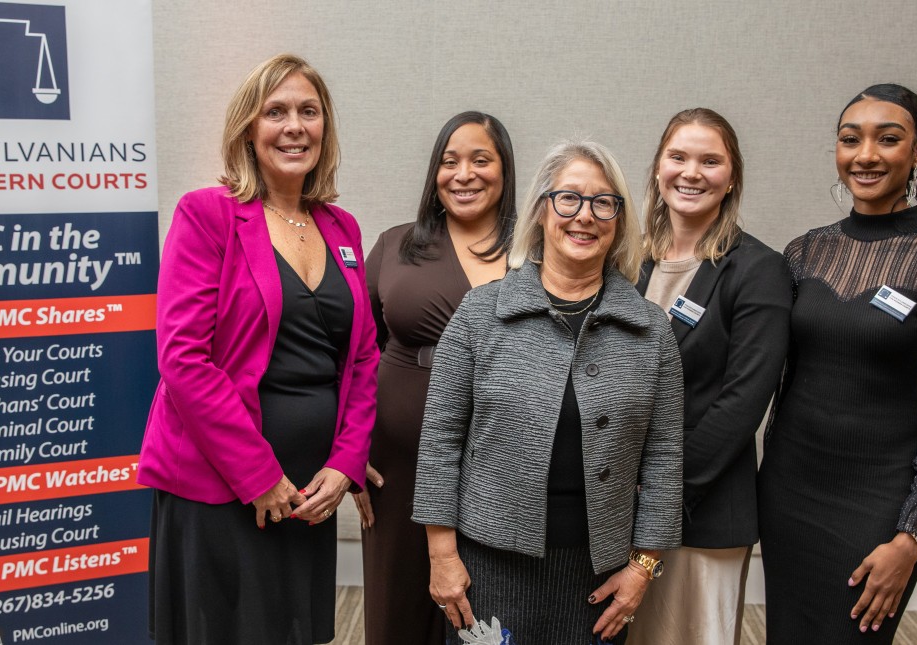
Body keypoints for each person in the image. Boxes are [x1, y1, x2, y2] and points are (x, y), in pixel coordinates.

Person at [136, 54, 379, 644]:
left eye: (309, 111)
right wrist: (258, 474)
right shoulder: (208, 215)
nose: (295, 126)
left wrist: (345, 463)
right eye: (276, 112)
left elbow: (363, 360)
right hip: (222, 487)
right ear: (249, 128)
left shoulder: (341, 227)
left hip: (306, 490)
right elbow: (184, 359)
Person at [413, 140, 684, 645]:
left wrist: (644, 568)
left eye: (604, 202)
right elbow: (440, 444)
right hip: (490, 568)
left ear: (620, 221)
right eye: (569, 199)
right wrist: (442, 555)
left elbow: (665, 457)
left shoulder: (651, 328)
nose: (585, 216)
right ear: (541, 210)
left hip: (599, 574)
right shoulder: (480, 314)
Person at [758, 83, 917, 643]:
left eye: (889, 139)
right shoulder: (803, 251)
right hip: (789, 488)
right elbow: (777, 376)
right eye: (850, 139)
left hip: (877, 498)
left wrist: (914, 533)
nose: (866, 155)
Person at [351, 111, 517, 645]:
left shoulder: (537, 251)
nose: (463, 174)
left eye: (480, 160)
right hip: (395, 462)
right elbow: (353, 355)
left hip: (501, 459)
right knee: (398, 605)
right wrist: (349, 451)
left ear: (506, 170)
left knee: (485, 610)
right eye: (449, 162)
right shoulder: (397, 244)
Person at [628, 108, 791, 645]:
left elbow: (742, 404)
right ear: (657, 168)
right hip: (621, 507)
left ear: (732, 177)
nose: (691, 172)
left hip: (702, 512)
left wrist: (658, 494)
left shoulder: (757, 269)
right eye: (678, 157)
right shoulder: (631, 262)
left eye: (710, 160)